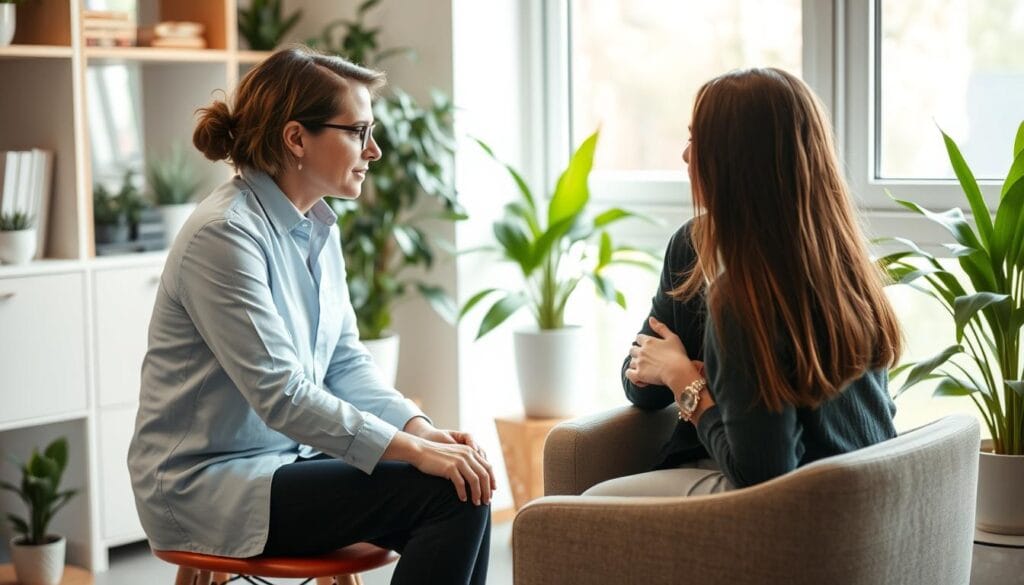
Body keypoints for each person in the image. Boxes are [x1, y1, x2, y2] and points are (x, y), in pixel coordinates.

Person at [127, 45, 493, 585]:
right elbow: (283, 393)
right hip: (208, 484)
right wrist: (412, 452)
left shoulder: (317, 227)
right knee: (448, 496)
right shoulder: (224, 235)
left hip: (283, 462)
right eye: (359, 131)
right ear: (296, 138)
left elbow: (345, 363)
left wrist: (421, 431)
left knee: (464, 483)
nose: (375, 151)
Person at [587, 67, 902, 497]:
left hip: (797, 505)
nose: (684, 155)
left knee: (581, 510)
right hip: (865, 499)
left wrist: (686, 380)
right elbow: (637, 378)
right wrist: (688, 375)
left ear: (737, 165)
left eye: (698, 142)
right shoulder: (696, 249)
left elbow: (762, 476)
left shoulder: (744, 299)